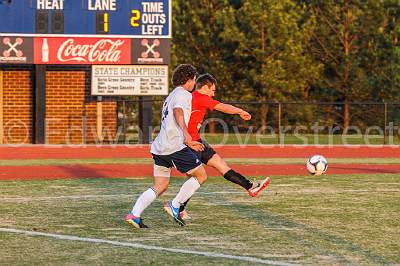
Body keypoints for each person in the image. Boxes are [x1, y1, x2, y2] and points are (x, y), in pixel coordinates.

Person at [125, 64, 208, 228]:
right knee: (201, 176)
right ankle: (175, 205)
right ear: (189, 80)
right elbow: (178, 112)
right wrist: (186, 135)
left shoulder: (171, 95)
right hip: (174, 147)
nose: (194, 84)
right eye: (193, 80)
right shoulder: (183, 94)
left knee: (160, 185)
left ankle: (134, 214)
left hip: (159, 148)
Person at [180, 73, 271, 219]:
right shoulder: (199, 97)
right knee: (195, 178)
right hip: (189, 143)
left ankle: (251, 187)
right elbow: (222, 107)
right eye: (213, 90)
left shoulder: (193, 97)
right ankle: (177, 206)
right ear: (204, 87)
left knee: (220, 164)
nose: (213, 93)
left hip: (197, 140)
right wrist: (240, 111)